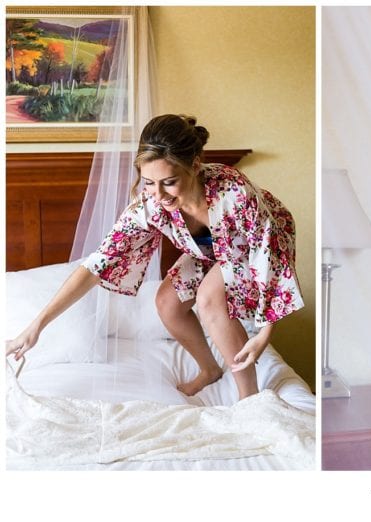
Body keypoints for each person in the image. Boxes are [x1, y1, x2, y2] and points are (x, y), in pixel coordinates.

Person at [6, 114, 304, 401]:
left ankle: (249, 399)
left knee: (209, 298)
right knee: (166, 302)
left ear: (195, 166)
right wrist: (36, 326)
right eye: (148, 182)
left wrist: (264, 333)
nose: (158, 194)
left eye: (169, 181)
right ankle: (209, 369)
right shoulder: (148, 206)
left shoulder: (234, 192)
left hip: (252, 244)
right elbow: (97, 264)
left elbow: (270, 254)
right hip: (205, 248)